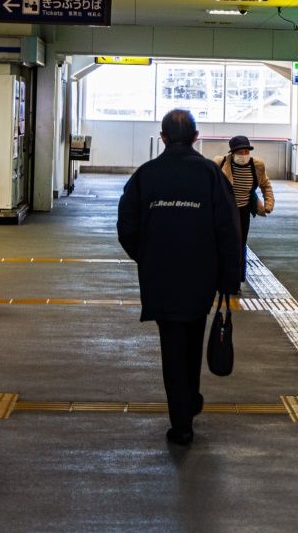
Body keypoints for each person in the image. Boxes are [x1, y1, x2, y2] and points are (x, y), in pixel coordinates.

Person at [118, 109, 241, 446]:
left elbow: (126, 226)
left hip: (160, 276)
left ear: (163, 138)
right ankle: (190, 399)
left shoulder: (146, 174)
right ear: (196, 137)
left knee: (171, 344)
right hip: (200, 275)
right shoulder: (211, 175)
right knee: (192, 336)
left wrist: (147, 256)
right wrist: (229, 278)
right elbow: (228, 229)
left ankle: (182, 420)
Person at [217, 135, 275, 293]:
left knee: (240, 244)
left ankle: (236, 280)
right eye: (240, 151)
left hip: (243, 211)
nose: (243, 154)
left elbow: (265, 184)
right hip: (224, 212)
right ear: (232, 153)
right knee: (224, 245)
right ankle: (222, 278)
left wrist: (268, 203)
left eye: (246, 151)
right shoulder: (221, 163)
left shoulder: (256, 166)